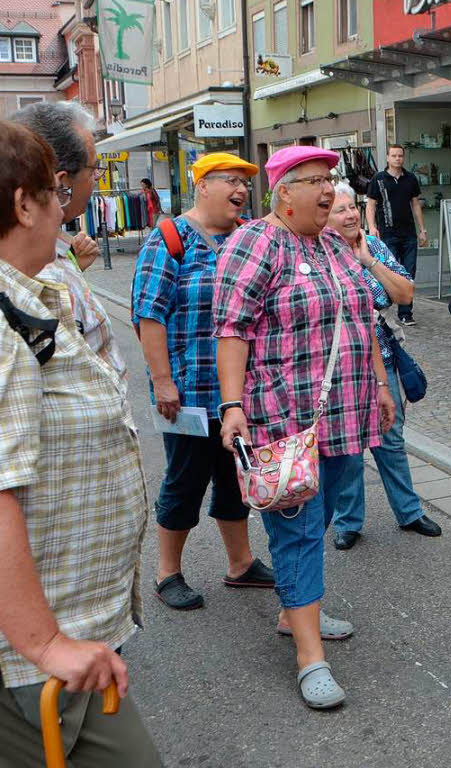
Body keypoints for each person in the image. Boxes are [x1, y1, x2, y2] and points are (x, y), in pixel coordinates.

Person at [0, 120, 161, 765]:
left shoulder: (26, 299)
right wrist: (44, 645)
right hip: (31, 657)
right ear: (23, 203)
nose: (65, 210)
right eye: (55, 195)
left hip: (64, 634)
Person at [214, 146, 396, 709]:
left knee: (322, 515)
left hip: (346, 414)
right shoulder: (256, 243)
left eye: (331, 179)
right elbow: (232, 328)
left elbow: (362, 319)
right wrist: (231, 405)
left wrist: (382, 386)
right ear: (282, 191)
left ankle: (296, 610)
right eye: (315, 180)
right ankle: (309, 656)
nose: (328, 190)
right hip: (285, 419)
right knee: (296, 526)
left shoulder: (333, 246)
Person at [132, 152, 274, 611]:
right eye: (230, 180)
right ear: (202, 186)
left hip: (237, 393)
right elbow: (148, 315)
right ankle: (166, 572)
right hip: (188, 394)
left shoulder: (247, 236)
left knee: (235, 478)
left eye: (245, 183)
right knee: (185, 480)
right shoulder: (170, 238)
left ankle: (240, 563)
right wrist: (162, 381)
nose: (241, 190)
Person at [326, 182, 443, 550]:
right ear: (324, 216)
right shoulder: (319, 253)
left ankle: (408, 512)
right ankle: (348, 521)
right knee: (347, 446)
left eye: (352, 207)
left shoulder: (372, 246)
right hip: (338, 363)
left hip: (383, 359)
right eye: (339, 209)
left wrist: (368, 262)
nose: (349, 215)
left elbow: (405, 293)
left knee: (391, 438)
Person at [11, 100, 126, 380]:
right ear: (62, 183)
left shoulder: (55, 252)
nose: (96, 180)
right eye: (93, 170)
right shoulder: (32, 266)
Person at [366, 144, 428, 326]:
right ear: (387, 158)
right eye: (394, 156)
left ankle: (406, 313)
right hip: (388, 232)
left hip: (408, 233)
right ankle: (384, 308)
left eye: (400, 156)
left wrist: (422, 229)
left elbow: (415, 204)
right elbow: (371, 205)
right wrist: (372, 227)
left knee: (408, 271)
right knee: (389, 271)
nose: (397, 159)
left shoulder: (410, 179)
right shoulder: (378, 179)